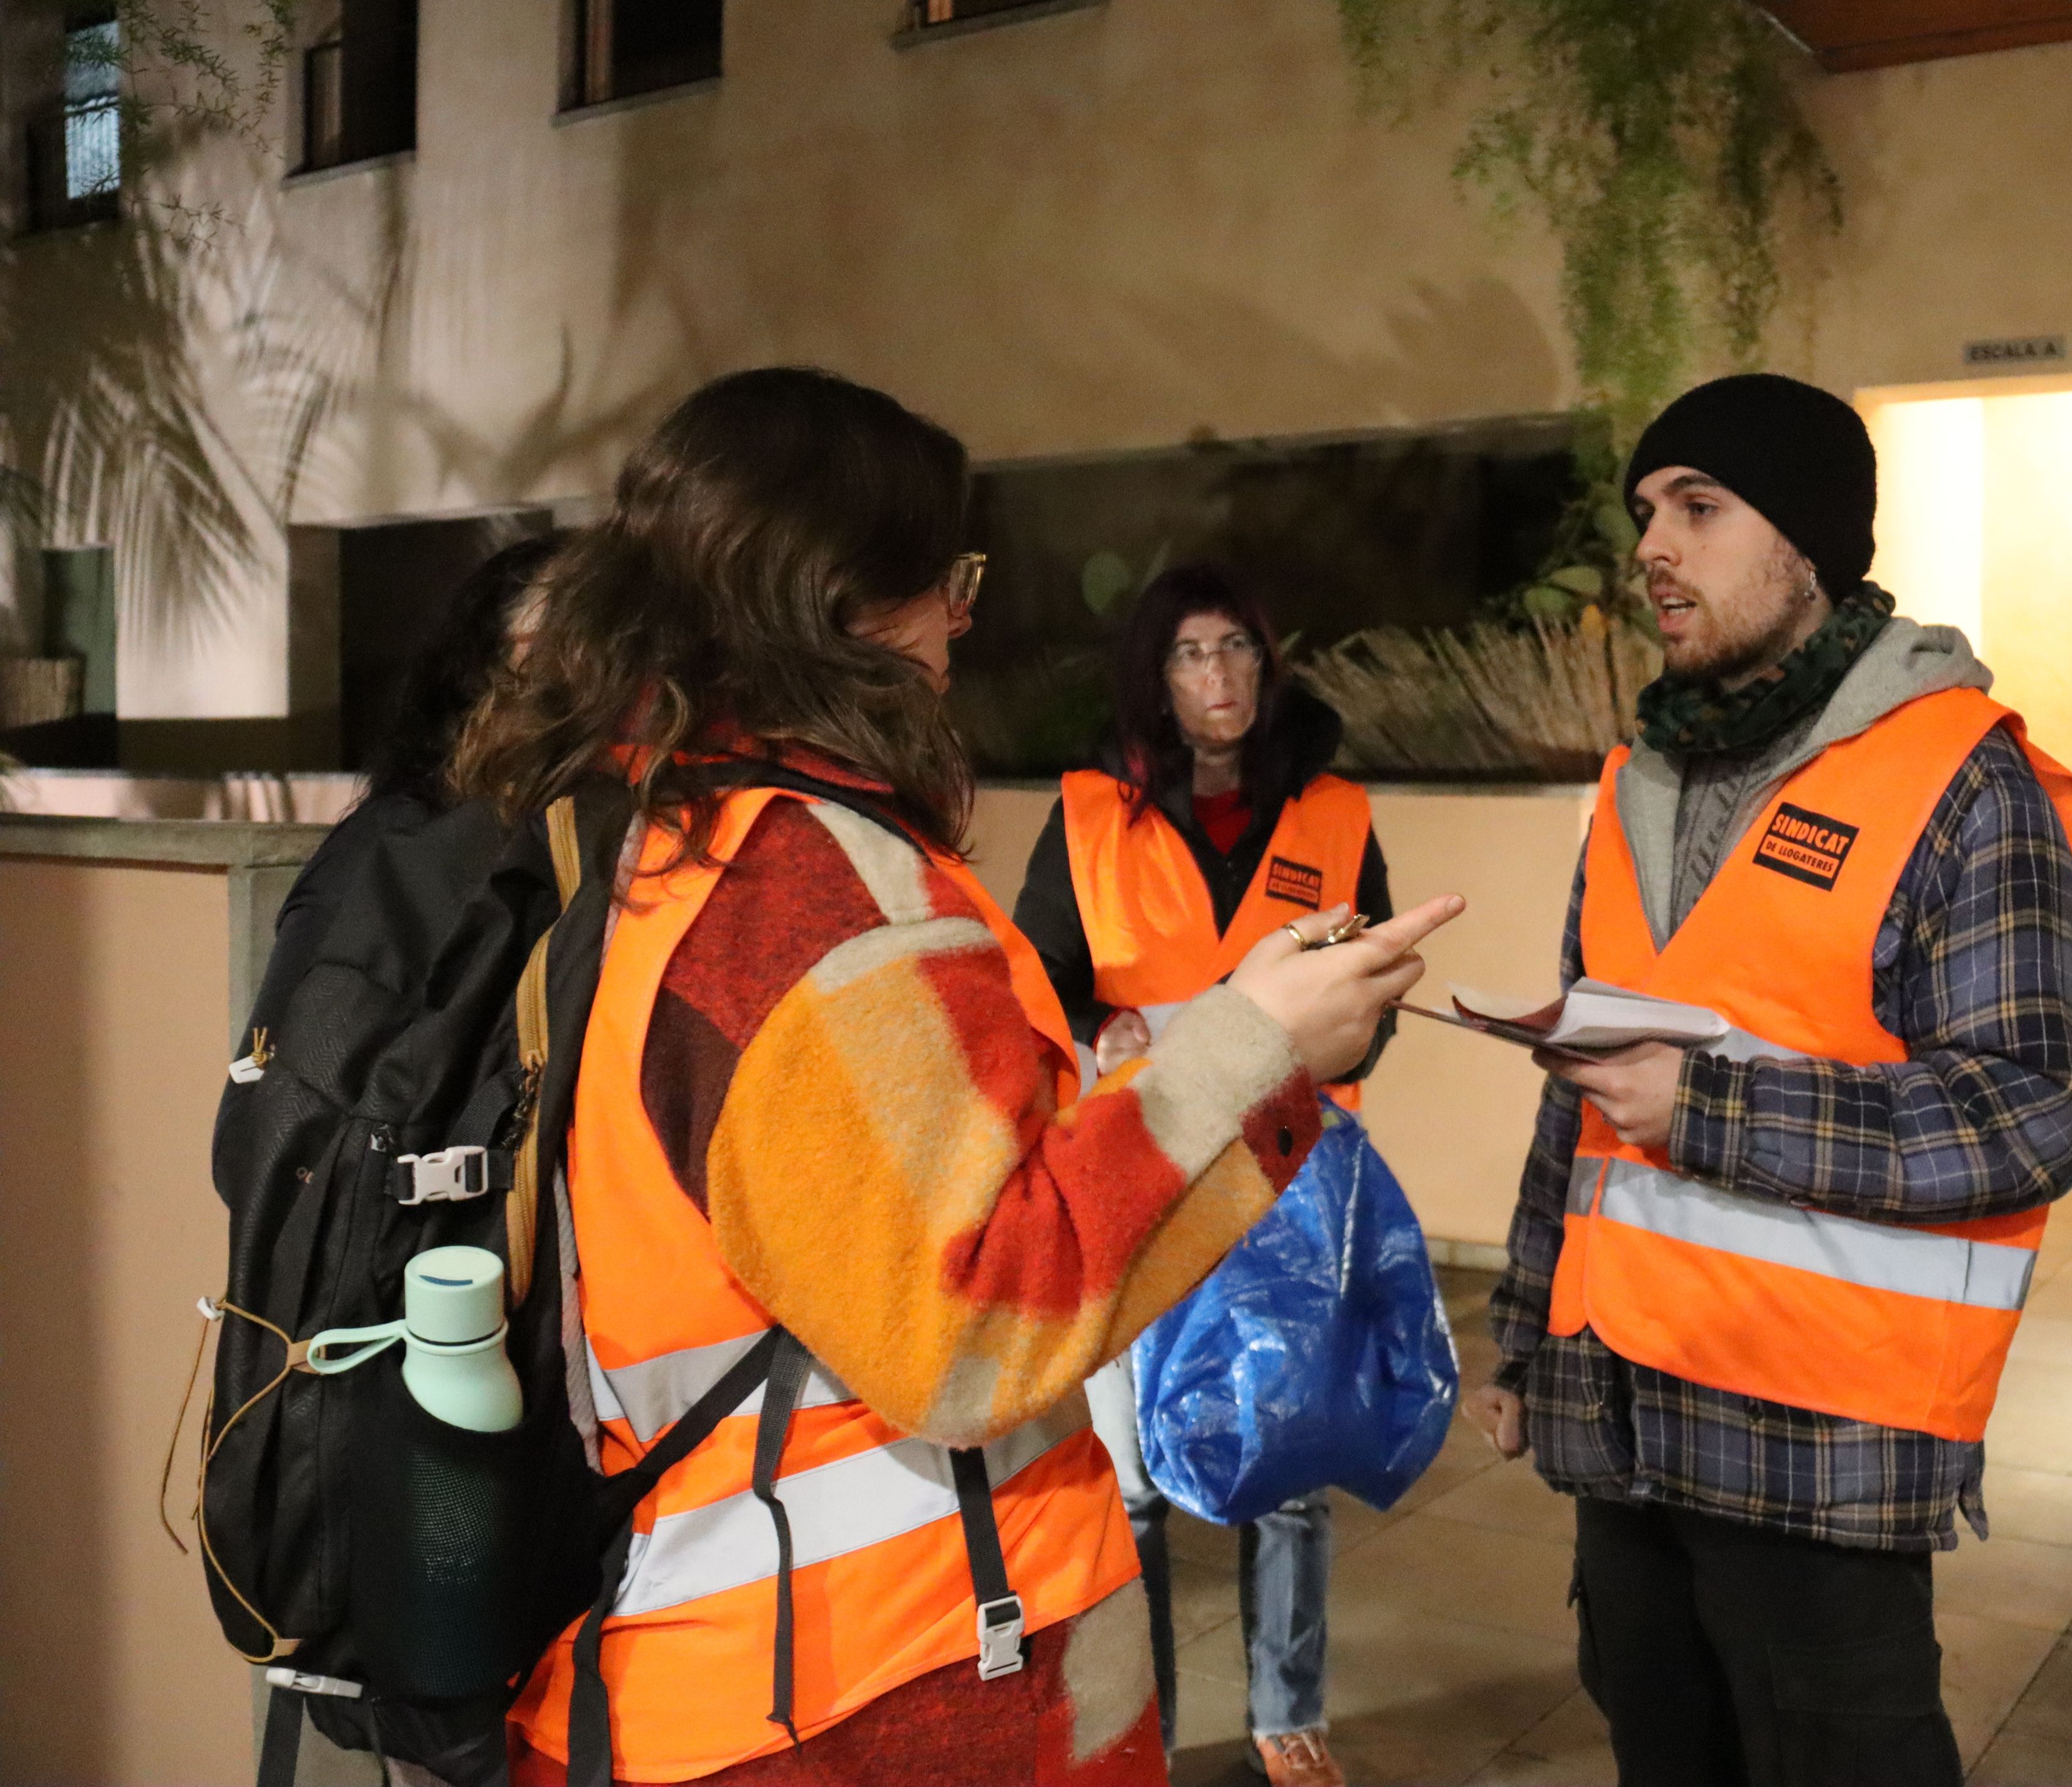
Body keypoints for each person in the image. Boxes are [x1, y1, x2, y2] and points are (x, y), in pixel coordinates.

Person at [450, 367, 1461, 1787]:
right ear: (841, 599)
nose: (962, 619)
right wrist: (1263, 1048)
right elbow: (979, 1311)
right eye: (945, 578)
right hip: (873, 1692)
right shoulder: (802, 888)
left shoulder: (654, 830)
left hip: (770, 1658)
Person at [1472, 374, 2072, 1787]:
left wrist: (1707, 1111)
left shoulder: (1957, 779)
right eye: (1647, 512)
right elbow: (1579, 1082)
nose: (1654, 545)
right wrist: (1527, 1327)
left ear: (1809, 547)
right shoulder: (1640, 775)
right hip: (1626, 1418)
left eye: (1700, 508)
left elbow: (2027, 1111)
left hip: (1817, 1447)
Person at [1014, 564, 1390, 1787]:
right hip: (1140, 1166)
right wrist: (1099, 1033)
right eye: (1190, 653)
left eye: (1237, 647)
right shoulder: (1087, 811)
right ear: (1153, 676)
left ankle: (1289, 1707)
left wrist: (1329, 1029)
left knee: (1290, 1463)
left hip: (1291, 1174)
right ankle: (1149, 1731)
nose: (1219, 676)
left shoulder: (1333, 810)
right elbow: (1042, 983)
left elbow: (1374, 992)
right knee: (1128, 1486)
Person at [242, 530, 567, 1080]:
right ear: (488, 669)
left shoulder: (574, 841)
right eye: (563, 649)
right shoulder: (394, 845)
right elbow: (269, 1082)